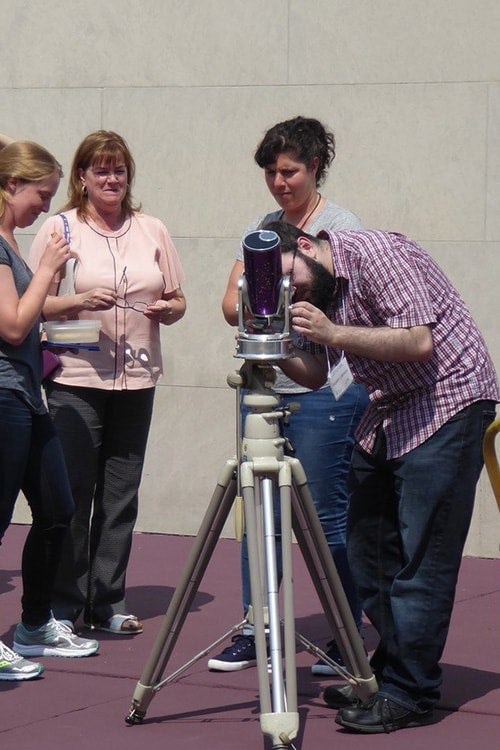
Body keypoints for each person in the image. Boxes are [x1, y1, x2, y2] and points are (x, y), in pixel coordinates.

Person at [262, 220, 499, 733]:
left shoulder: (373, 251)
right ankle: (392, 672)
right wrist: (273, 343)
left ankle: (411, 692)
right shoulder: (317, 287)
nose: (293, 292)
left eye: (293, 282)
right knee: (367, 550)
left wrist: (330, 332)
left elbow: (418, 343)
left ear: (305, 246)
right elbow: (319, 373)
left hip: (450, 403)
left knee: (422, 558)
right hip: (390, 408)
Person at [209, 116, 369, 673]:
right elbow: (232, 304)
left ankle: (346, 630)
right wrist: (258, 298)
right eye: (271, 173)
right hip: (265, 383)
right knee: (258, 508)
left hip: (325, 389)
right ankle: (259, 625)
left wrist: (278, 300)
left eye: (289, 172)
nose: (280, 184)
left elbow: (341, 313)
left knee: (325, 515)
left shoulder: (341, 228)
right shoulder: (263, 225)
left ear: (315, 168)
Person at [28, 131, 186, 635]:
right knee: (74, 493)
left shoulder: (152, 229)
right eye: (101, 171)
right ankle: (63, 605)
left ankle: (108, 600)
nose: (111, 179)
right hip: (76, 379)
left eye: (119, 170)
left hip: (137, 378)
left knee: (121, 494)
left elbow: (179, 300)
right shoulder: (59, 229)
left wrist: (169, 309)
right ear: (82, 178)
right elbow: (31, 306)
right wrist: (77, 301)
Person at [0, 139, 99, 680]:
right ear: (12, 185)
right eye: (42, 194)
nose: (46, 206)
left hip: (24, 393)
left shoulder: (9, 241)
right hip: (3, 395)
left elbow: (25, 322)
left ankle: (34, 625)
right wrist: (50, 270)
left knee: (57, 508)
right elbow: (13, 325)